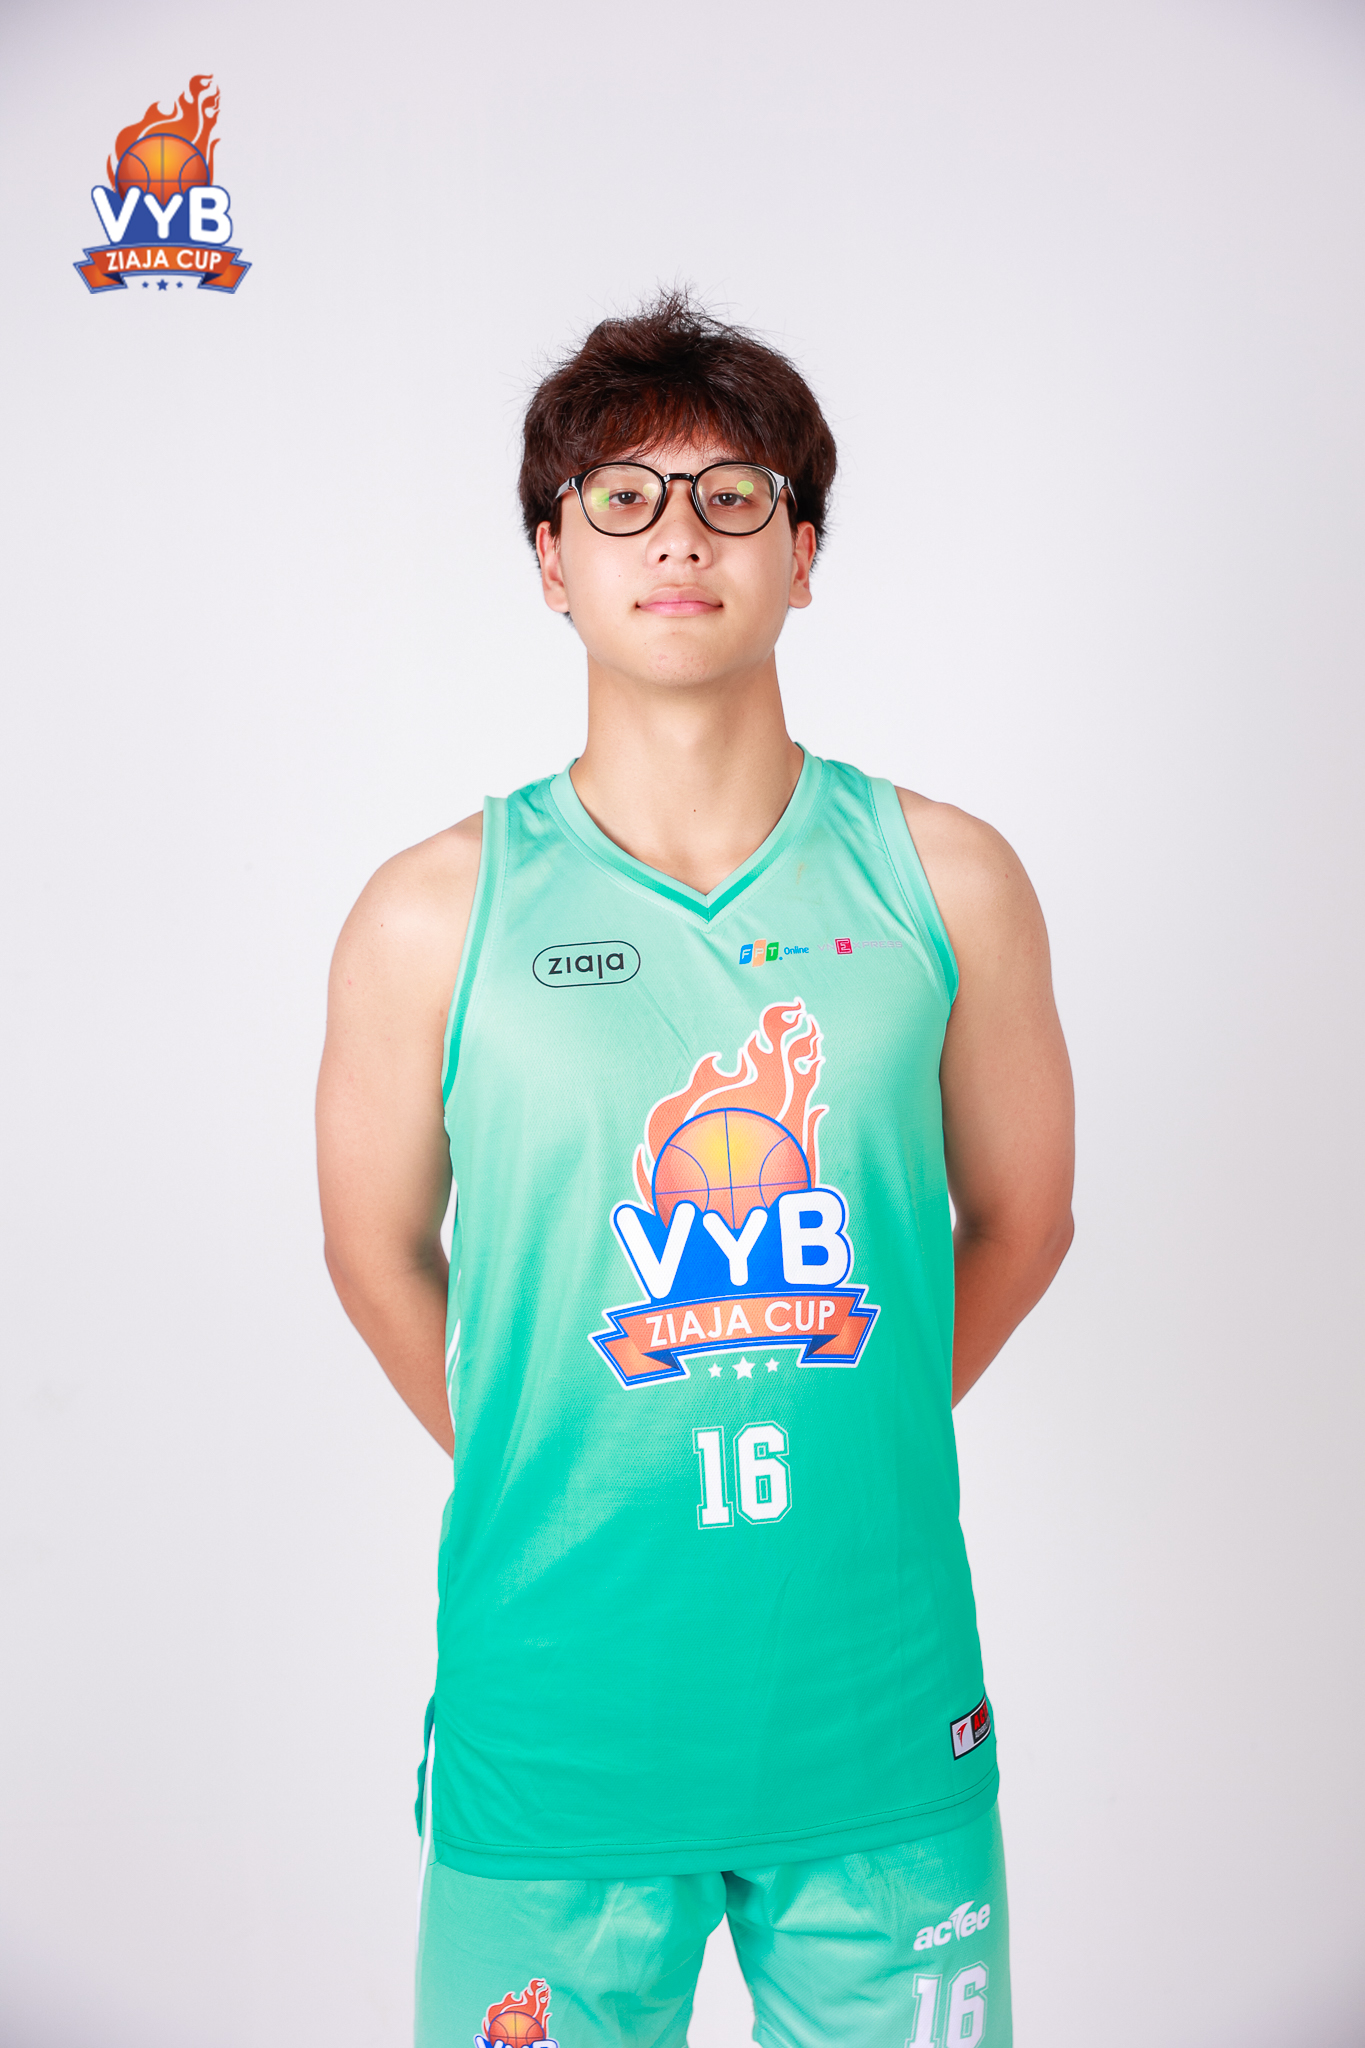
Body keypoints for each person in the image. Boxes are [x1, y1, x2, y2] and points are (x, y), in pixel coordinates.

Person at [316, 290, 1074, 2048]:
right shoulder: (432, 912)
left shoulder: (945, 878)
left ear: (802, 555)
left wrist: (850, 1417)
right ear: (549, 558)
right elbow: (374, 1253)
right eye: (623, 499)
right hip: (559, 1716)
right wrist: (571, 1451)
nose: (679, 539)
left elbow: (1022, 1220)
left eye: (734, 498)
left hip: (874, 1711)